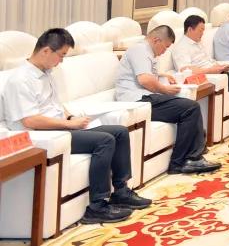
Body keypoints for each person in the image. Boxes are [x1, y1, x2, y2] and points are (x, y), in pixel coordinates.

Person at [3, 29, 152, 223]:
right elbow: (30, 120)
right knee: (105, 141)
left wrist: (72, 118)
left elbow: (56, 107)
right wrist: (68, 124)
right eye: (61, 55)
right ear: (46, 51)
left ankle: (121, 191)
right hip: (43, 135)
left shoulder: (46, 73)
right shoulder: (20, 80)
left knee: (120, 132)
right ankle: (97, 206)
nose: (61, 61)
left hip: (60, 128)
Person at [116, 25, 221, 175]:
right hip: (137, 101)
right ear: (156, 40)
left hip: (145, 98)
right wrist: (165, 90)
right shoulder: (140, 50)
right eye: (165, 47)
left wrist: (162, 76)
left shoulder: (146, 51)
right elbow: (145, 80)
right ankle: (185, 160)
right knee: (190, 108)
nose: (165, 51)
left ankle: (189, 157)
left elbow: (145, 74)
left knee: (189, 107)